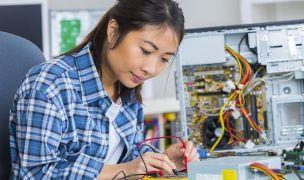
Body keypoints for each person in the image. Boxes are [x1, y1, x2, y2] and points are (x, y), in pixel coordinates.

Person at [9, 0, 200, 179]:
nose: (151, 68)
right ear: (113, 31)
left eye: (164, 59)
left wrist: (160, 162)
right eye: (146, 51)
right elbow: (37, 174)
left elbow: (127, 156)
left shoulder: (129, 88)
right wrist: (126, 169)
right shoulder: (49, 86)